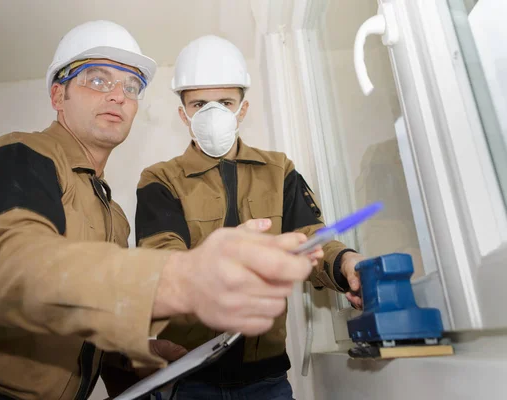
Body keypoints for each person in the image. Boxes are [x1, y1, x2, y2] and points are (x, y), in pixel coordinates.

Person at [0, 22, 323, 400]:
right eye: (97, 78)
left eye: (131, 86)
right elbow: (8, 274)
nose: (116, 95)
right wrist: (182, 279)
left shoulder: (111, 215)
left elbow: (71, 312)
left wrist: (132, 354)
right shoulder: (16, 157)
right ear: (58, 94)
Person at [135, 35, 365, 400]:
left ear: (242, 109)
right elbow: (160, 260)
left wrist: (347, 264)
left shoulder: (279, 170)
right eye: (199, 103)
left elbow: (312, 239)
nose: (213, 114)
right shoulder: (160, 179)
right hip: (189, 378)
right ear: (183, 114)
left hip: (267, 380)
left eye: (225, 102)